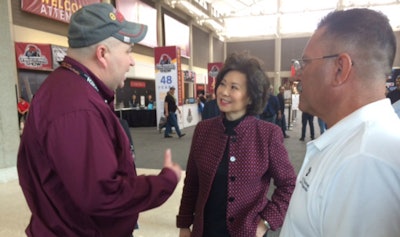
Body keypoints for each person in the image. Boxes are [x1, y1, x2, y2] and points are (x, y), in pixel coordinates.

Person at [17, 3, 181, 237]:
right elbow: (102, 195)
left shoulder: (70, 92)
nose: (132, 61)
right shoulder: (76, 109)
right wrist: (164, 182)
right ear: (102, 54)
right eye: (128, 51)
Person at [280, 8, 400, 237]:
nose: (297, 75)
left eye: (305, 63)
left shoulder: (365, 161)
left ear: (339, 69)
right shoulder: (356, 146)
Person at [177, 52, 297, 237]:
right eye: (222, 84)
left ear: (250, 97)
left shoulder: (267, 134)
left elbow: (288, 184)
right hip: (206, 231)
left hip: (246, 232)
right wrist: (184, 224)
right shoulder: (203, 130)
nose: (224, 92)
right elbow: (192, 182)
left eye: (234, 87)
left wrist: (265, 222)